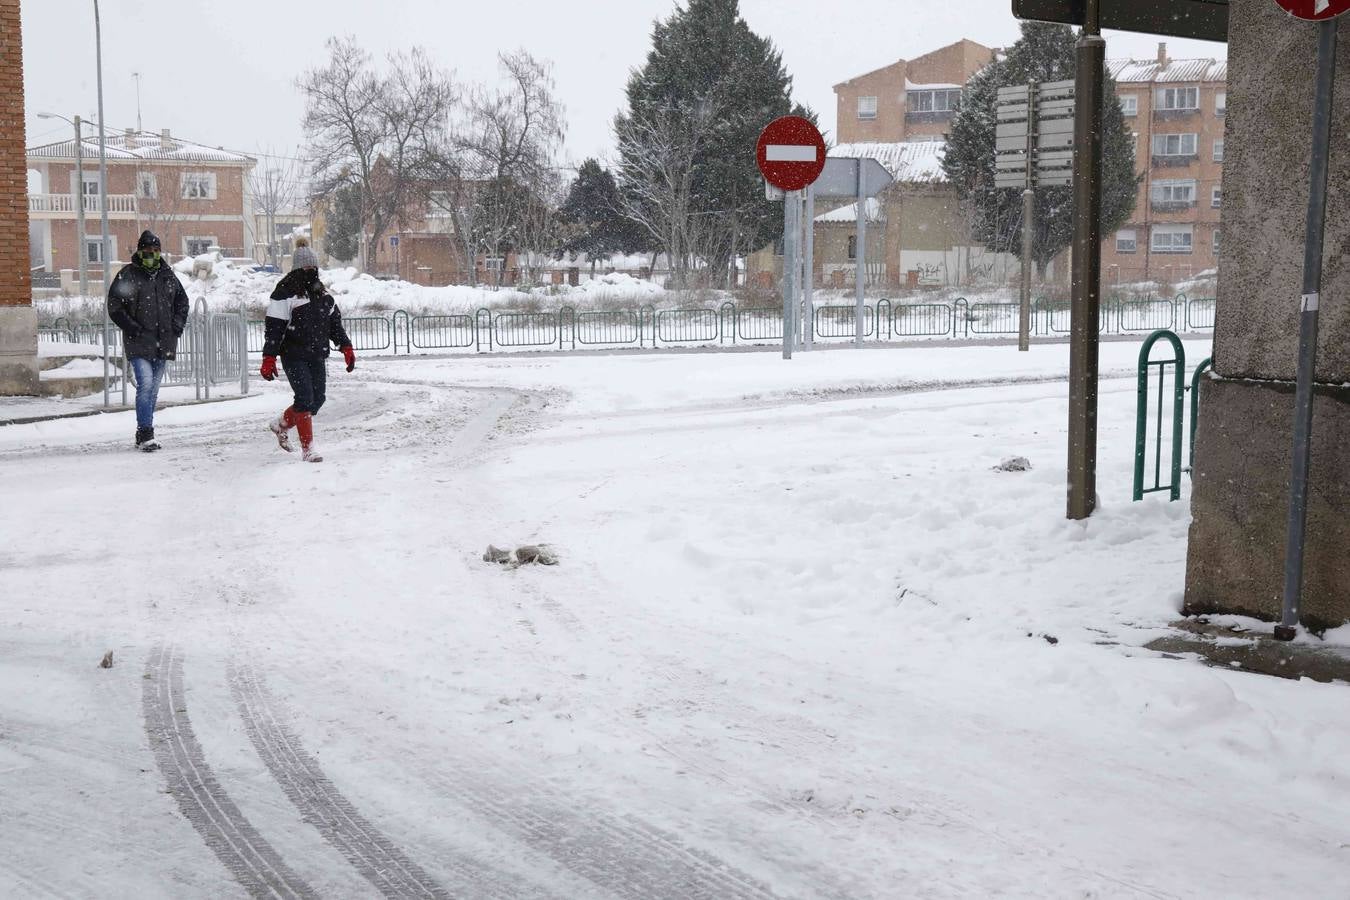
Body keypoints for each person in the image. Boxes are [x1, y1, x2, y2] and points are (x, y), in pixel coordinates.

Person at [260, 239, 355, 463]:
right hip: (293, 354)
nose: (311, 271)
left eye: (313, 267)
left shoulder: (321, 293)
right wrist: (269, 357)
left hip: (317, 354)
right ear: (297, 268)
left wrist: (346, 347)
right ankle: (308, 449)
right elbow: (274, 327)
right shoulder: (284, 293)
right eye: (306, 268)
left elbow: (335, 324)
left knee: (317, 400)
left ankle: (280, 424)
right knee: (304, 398)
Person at [106, 230, 189, 452]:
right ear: (139, 250)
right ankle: (146, 434)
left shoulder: (167, 275)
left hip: (164, 341)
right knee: (146, 384)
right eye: (146, 250)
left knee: (153, 390)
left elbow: (182, 302)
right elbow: (114, 305)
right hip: (138, 342)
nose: (151, 254)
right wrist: (132, 327)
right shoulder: (128, 275)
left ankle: (143, 431)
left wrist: (176, 326)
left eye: (155, 250)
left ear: (160, 251)